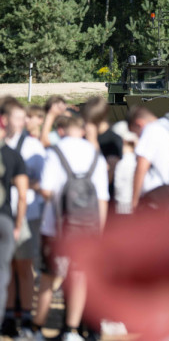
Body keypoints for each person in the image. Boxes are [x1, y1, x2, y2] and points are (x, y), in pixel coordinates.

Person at [31, 115, 107, 341]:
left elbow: (46, 190)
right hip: (87, 229)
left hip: (55, 228)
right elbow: (102, 198)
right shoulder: (95, 154)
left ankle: (37, 329)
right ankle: (72, 331)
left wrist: (33, 185)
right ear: (83, 131)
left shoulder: (55, 153)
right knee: (80, 277)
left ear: (60, 130)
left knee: (48, 278)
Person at [1, 100, 39, 337]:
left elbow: (42, 180)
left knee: (23, 267)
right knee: (6, 268)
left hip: (25, 214)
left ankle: (25, 317)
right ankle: (7, 316)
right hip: (7, 214)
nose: (22, 122)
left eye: (23, 118)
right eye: (16, 117)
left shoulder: (32, 145)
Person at [113, 130, 138, 215]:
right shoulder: (138, 160)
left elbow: (117, 184)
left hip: (122, 202)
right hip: (137, 201)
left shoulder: (120, 161)